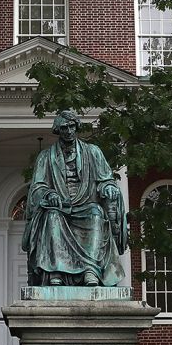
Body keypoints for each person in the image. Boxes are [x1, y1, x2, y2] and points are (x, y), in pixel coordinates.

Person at [22, 111, 127, 286]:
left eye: (71, 127)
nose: (69, 131)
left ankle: (90, 271)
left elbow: (106, 179)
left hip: (86, 205)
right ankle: (55, 271)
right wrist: (49, 194)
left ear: (76, 127)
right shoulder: (46, 157)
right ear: (58, 130)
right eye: (64, 128)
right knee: (52, 217)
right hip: (60, 207)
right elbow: (37, 187)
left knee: (96, 214)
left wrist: (108, 187)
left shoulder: (93, 152)